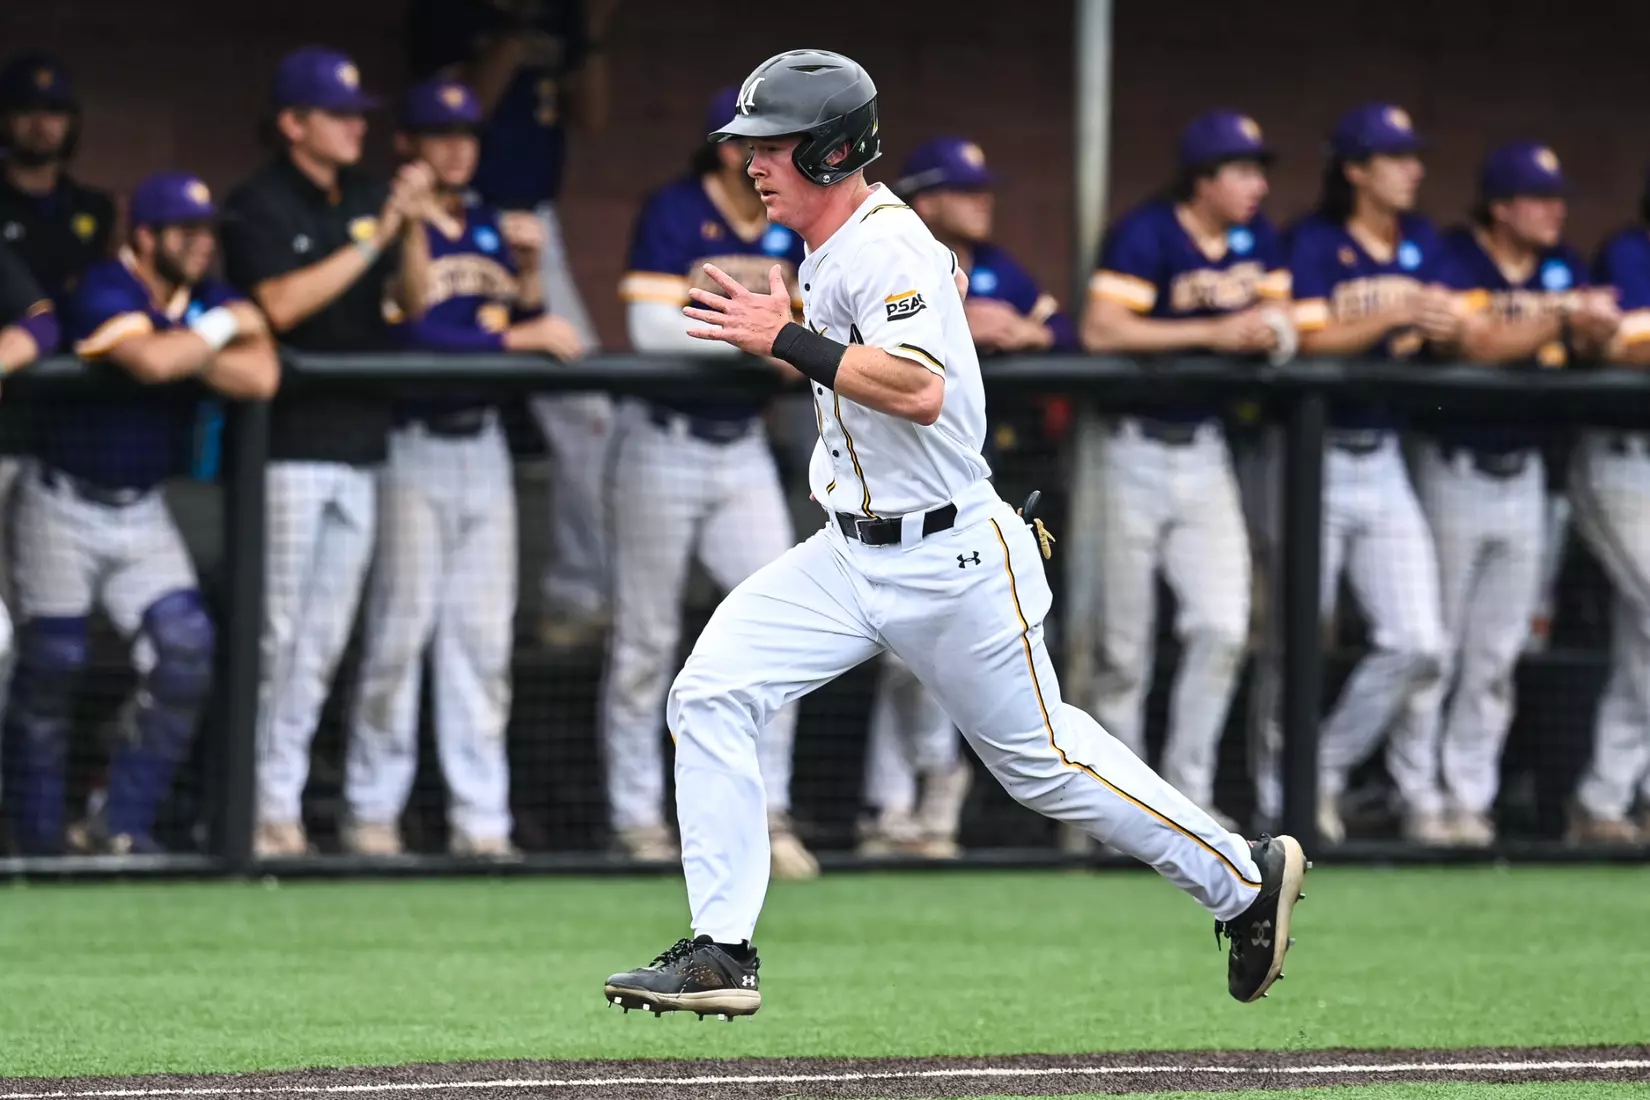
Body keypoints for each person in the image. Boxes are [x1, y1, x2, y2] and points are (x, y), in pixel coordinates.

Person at [602, 50, 1307, 1020]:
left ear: (830, 148)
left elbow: (920, 389)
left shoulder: (887, 243)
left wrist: (790, 337)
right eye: (747, 146)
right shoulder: (832, 248)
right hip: (849, 552)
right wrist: (793, 325)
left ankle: (1243, 874)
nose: (751, 163)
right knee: (710, 690)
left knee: (1046, 763)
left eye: (770, 145)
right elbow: (868, 371)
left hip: (953, 558)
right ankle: (723, 948)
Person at [1, 172, 278, 856]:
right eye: (188, 233)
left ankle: (116, 824)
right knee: (51, 664)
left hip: (143, 510)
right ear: (146, 236)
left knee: (186, 651)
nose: (203, 245)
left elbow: (263, 374)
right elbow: (149, 362)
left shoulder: (201, 293)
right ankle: (36, 842)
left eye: (209, 232)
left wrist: (182, 342)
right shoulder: (107, 286)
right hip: (62, 500)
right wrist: (209, 336)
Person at [341, 79, 581, 858]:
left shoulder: (486, 222)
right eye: (437, 132)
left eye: (465, 133)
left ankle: (483, 822)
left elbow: (524, 323)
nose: (454, 146)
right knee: (399, 635)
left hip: (482, 446)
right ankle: (371, 810)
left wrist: (535, 277)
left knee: (480, 641)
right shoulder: (385, 215)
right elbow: (414, 330)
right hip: (411, 444)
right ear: (408, 142)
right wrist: (407, 225)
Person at [223, 47, 434, 858]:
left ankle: (280, 810)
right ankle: (248, 808)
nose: (356, 127)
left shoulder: (369, 196)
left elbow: (409, 302)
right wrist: (378, 230)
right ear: (293, 124)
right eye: (339, 115)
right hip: (287, 454)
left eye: (358, 115)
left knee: (321, 645)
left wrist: (407, 226)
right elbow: (279, 304)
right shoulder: (259, 203)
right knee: (272, 636)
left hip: (362, 445)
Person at [603, 86, 818, 879]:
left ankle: (769, 813)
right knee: (646, 640)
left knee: (784, 631)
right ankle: (632, 818)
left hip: (741, 447)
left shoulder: (789, 223)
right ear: (730, 148)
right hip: (661, 440)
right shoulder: (672, 210)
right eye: (763, 143)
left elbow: (818, 331)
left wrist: (782, 339)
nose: (775, 157)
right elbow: (650, 329)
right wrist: (770, 338)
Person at [853, 135, 1080, 859]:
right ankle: (893, 801)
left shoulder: (1000, 271)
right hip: (902, 481)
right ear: (924, 200)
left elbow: (1071, 333)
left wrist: (1024, 332)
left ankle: (936, 799)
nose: (982, 201)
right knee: (900, 652)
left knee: (965, 651)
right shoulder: (890, 259)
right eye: (964, 190)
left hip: (993, 478)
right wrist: (963, 329)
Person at [1077, 110, 1287, 832]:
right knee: (1122, 647)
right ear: (1204, 179)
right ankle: (1121, 811)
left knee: (1224, 627)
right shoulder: (1148, 231)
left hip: (1205, 449)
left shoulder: (1258, 239)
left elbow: (1289, 319)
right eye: (1243, 171)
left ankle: (1187, 798)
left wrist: (1270, 333)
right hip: (1129, 446)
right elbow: (1102, 330)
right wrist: (1211, 333)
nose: (1257, 185)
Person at [1414, 142, 1618, 847]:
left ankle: (1468, 798)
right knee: (1433, 646)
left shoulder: (1563, 266)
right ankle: (1418, 795)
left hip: (1526, 475)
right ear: (1500, 208)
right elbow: (1476, 344)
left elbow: (1594, 342)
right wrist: (1560, 319)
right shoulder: (1455, 256)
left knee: (1495, 653)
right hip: (1454, 468)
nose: (1554, 209)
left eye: (1557, 197)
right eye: (1537, 198)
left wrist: (1585, 329)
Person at [408, 0, 615, 650]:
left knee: (590, 410)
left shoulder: (563, 20)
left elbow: (596, 120)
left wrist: (588, 37)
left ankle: (577, 592)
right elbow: (464, 108)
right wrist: (513, 30)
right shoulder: (453, 18)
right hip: (456, 211)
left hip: (533, 223)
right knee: (441, 370)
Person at [1285, 103, 1457, 846]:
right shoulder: (1315, 242)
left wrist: (1449, 326)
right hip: (1308, 456)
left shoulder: (1424, 241)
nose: (1412, 168)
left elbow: (1466, 322)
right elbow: (1308, 339)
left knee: (1420, 642)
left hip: (1384, 456)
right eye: (1394, 156)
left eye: (1412, 154)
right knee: (1297, 638)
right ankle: (1279, 798)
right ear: (1355, 169)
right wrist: (1395, 319)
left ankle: (1320, 771)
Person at [1568, 170, 1650, 846]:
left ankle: (1605, 799)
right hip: (1620, 460)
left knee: (1641, 641)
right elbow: (1621, 343)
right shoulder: (1629, 251)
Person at [0, 52, 114, 312]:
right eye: (26, 110)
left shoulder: (96, 208)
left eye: (53, 111)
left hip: (78, 346)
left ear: (71, 122)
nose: (40, 125)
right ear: (5, 119)